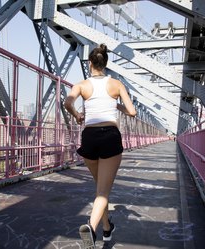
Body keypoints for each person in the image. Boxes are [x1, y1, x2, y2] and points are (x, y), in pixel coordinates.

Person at [64, 44, 136, 248]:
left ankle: (107, 227)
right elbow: (132, 112)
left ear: (90, 64)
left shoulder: (81, 85)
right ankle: (91, 227)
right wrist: (117, 104)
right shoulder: (116, 84)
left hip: (90, 137)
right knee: (103, 192)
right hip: (110, 136)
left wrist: (77, 115)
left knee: (100, 190)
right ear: (105, 63)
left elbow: (67, 102)